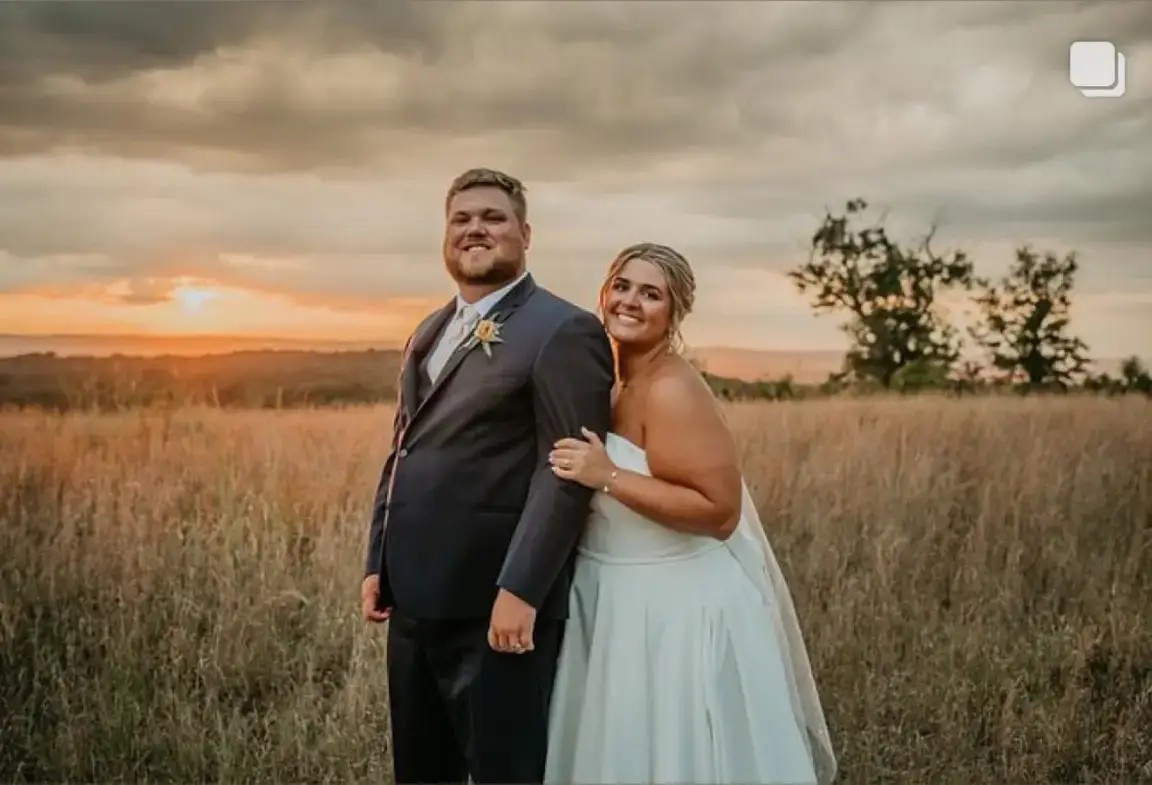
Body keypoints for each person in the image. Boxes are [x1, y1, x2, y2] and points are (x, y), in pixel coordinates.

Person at [544, 242, 837, 785]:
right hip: (610, 597)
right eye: (622, 286)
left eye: (651, 294)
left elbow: (719, 512)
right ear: (604, 292)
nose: (630, 301)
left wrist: (606, 475)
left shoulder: (674, 389)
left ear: (674, 313)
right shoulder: (610, 380)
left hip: (673, 609)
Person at [360, 168, 615, 784]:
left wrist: (522, 589)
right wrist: (378, 560)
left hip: (498, 609)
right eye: (461, 219)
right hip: (414, 601)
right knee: (422, 772)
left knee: (505, 772)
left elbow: (565, 471)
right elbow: (404, 448)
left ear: (525, 234)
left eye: (493, 217)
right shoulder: (428, 331)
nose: (475, 228)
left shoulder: (563, 329)